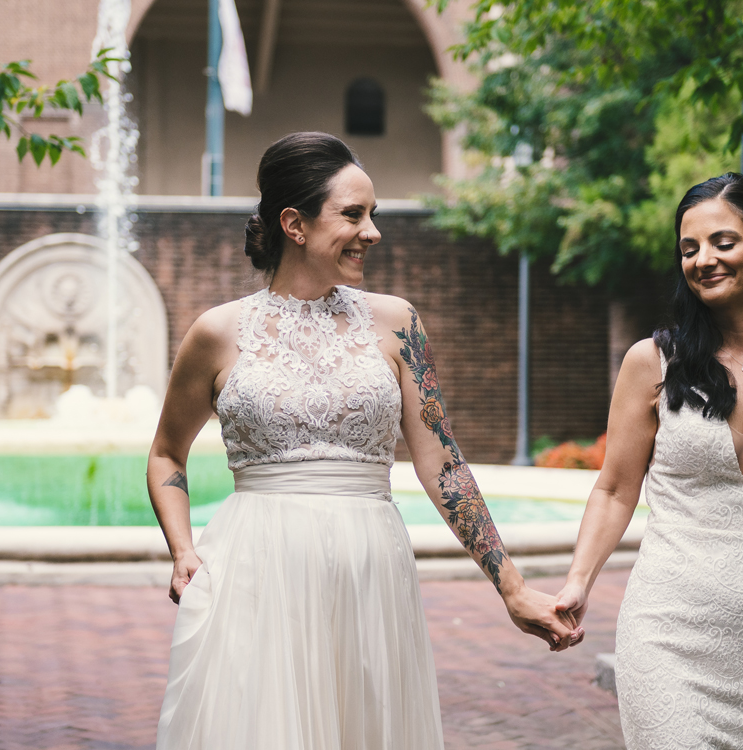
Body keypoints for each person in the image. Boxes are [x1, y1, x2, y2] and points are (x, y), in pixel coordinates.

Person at [146, 131, 577, 750]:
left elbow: (443, 464)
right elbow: (166, 452)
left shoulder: (398, 323)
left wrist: (511, 586)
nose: (373, 232)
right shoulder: (217, 333)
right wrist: (183, 549)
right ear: (294, 224)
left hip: (370, 569)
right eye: (353, 214)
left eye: (372, 214)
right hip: (255, 568)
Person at [555, 173, 743, 748]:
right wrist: (577, 583)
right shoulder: (653, 361)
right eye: (689, 248)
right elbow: (615, 490)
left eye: (722, 241)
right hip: (668, 632)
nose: (702, 260)